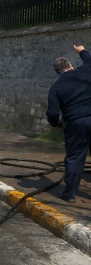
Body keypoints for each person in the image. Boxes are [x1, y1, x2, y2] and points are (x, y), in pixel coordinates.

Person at [46, 45, 91, 202]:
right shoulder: (84, 72)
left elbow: (52, 113)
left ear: (57, 72)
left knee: (75, 157)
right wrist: (81, 51)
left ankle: (70, 194)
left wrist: (57, 124)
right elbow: (89, 60)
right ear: (71, 66)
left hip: (75, 123)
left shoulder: (56, 87)